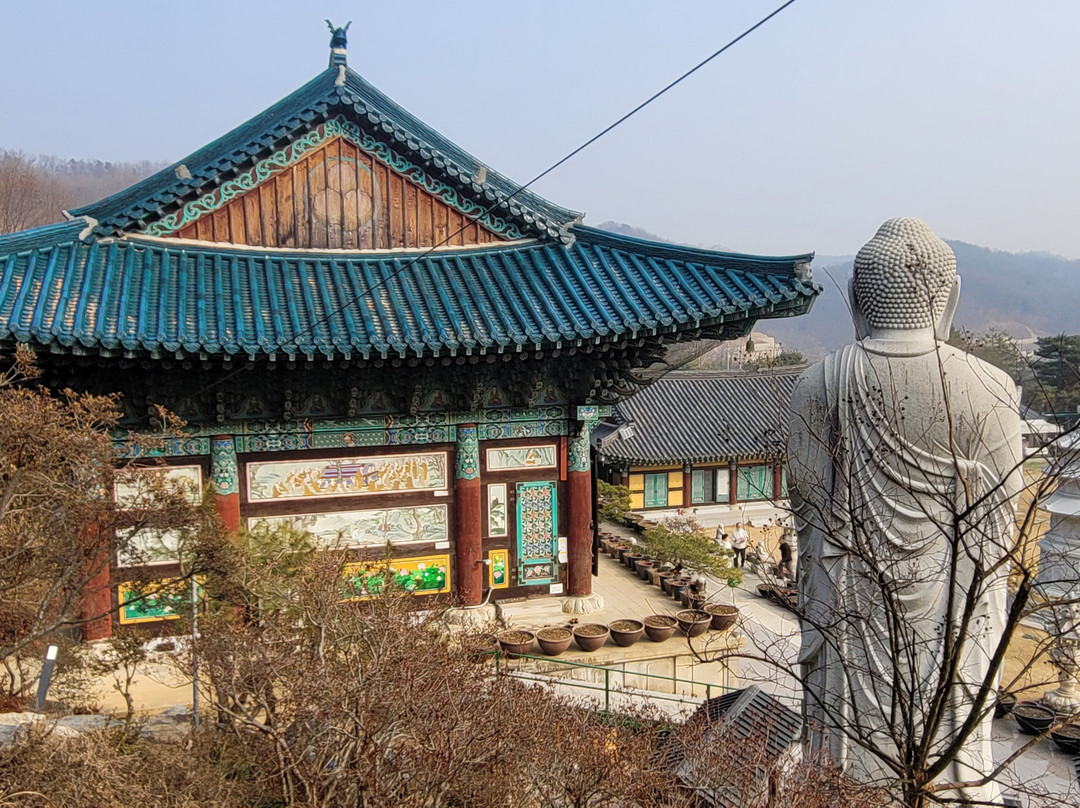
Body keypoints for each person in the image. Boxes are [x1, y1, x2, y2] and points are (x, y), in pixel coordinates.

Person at [787, 218, 1022, 801]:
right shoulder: (991, 387)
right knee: (947, 749)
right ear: (950, 298)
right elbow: (1000, 527)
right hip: (949, 608)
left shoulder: (823, 382)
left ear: (859, 302)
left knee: (843, 765)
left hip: (851, 603)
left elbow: (809, 505)